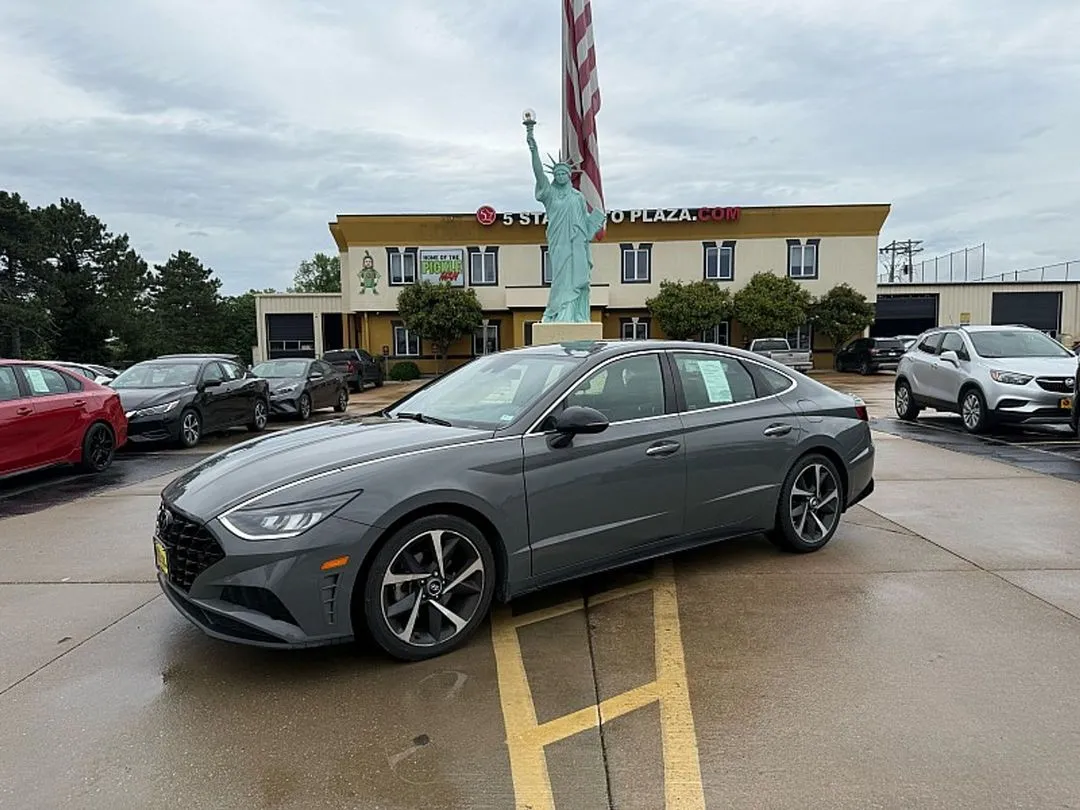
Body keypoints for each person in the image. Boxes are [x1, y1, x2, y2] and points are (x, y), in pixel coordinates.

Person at [526, 124, 606, 323]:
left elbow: (585, 223)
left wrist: (595, 221)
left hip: (577, 244)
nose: (561, 176)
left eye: (564, 173)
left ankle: (575, 314)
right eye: (558, 174)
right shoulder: (550, 195)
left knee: (576, 278)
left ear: (569, 175)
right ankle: (555, 312)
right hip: (558, 242)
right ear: (555, 176)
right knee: (560, 280)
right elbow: (539, 174)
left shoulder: (577, 197)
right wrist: (533, 148)